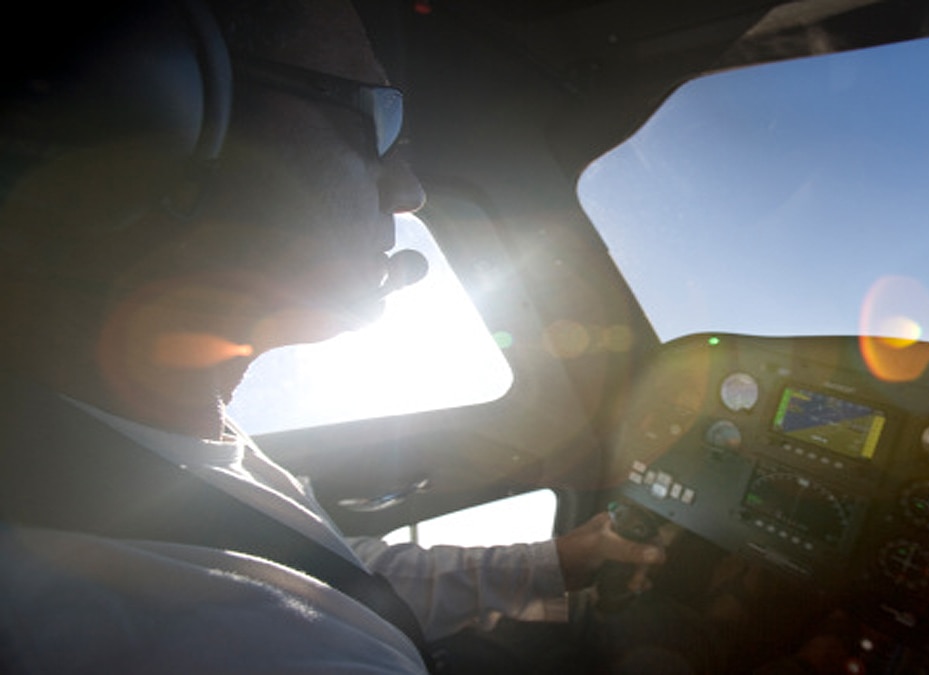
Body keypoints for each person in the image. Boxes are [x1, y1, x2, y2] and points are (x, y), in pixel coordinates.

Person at [0, 1, 663, 672]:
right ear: (151, 102)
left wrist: (554, 561)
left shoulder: (106, 458)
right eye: (376, 120)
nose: (408, 190)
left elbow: (322, 581)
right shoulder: (201, 640)